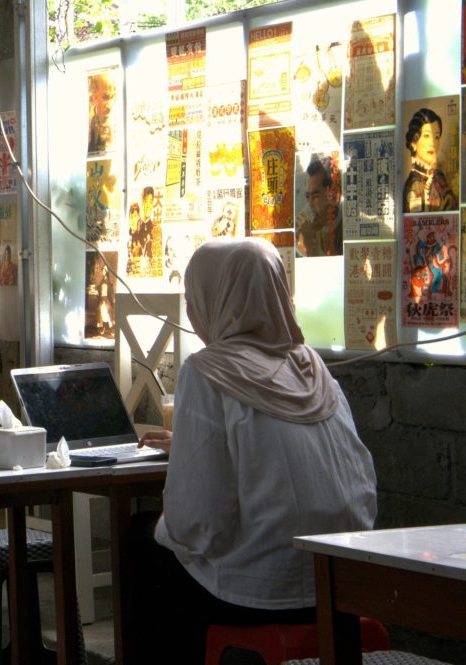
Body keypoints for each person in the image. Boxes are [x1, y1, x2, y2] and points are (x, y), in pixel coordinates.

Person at [128, 237, 377, 663]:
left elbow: (198, 523)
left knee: (142, 540)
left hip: (259, 592)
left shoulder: (207, 373)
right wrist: (193, 447)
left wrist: (165, 522)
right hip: (340, 586)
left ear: (214, 299)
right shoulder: (313, 369)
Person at [403, 107, 457, 213]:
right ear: (414, 143)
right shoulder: (413, 185)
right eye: (426, 136)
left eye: (436, 136)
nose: (433, 143)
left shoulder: (439, 177)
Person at [295, 157, 343, 256]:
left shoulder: (345, 226)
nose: (310, 204)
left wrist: (311, 242)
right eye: (308, 196)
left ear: (331, 194)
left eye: (316, 196)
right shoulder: (311, 228)